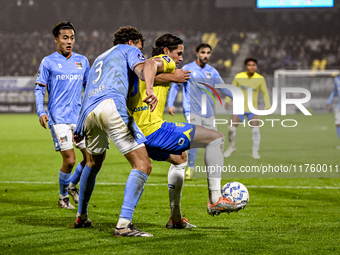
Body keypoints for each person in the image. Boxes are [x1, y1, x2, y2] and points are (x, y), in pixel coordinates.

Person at [72, 26, 186, 237]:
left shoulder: (99, 58)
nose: (140, 52)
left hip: (88, 112)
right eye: (140, 48)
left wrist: (79, 126)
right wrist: (154, 86)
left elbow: (87, 90)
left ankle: (82, 216)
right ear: (133, 42)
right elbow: (142, 72)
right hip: (111, 105)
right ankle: (124, 224)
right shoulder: (130, 50)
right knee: (142, 164)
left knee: (93, 162)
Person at [128, 35, 245, 228]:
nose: (180, 59)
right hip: (153, 129)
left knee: (179, 158)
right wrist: (168, 79)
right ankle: (215, 199)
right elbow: (152, 63)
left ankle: (175, 219)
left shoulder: (136, 69)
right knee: (216, 139)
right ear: (166, 51)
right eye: (178, 53)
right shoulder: (164, 61)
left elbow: (151, 71)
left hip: (136, 135)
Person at [34, 21, 90, 209]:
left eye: (72, 38)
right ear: (56, 39)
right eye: (65, 38)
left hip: (79, 119)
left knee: (91, 158)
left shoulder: (82, 61)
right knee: (70, 159)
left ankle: (72, 185)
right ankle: (63, 196)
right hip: (58, 119)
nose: (69, 41)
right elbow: (39, 89)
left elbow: (89, 88)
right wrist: (41, 111)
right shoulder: (48, 61)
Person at [167, 43, 233, 179]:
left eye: (208, 53)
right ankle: (190, 168)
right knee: (194, 140)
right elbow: (175, 86)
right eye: (203, 52)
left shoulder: (212, 71)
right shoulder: (188, 68)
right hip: (192, 111)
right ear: (197, 53)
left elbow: (223, 88)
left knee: (216, 140)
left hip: (209, 114)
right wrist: (170, 103)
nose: (206, 55)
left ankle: (214, 171)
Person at [223, 57, 271, 159]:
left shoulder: (260, 79)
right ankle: (232, 147)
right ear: (246, 66)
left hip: (252, 109)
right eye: (249, 65)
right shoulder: (239, 77)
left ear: (256, 67)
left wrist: (268, 106)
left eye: (253, 65)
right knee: (231, 129)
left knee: (255, 131)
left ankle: (255, 152)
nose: (251, 67)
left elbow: (265, 93)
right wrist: (227, 101)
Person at [326, 73, 340, 148]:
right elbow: (335, 91)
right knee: (338, 123)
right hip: (339, 106)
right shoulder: (337, 79)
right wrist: (329, 101)